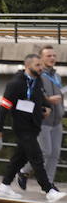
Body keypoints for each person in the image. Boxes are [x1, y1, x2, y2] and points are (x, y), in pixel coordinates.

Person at [0, 53, 65, 202]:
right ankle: (48, 190)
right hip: (22, 127)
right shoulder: (15, 84)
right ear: (27, 66)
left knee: (19, 158)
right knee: (37, 157)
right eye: (37, 65)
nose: (40, 68)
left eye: (40, 65)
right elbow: (4, 107)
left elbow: (39, 98)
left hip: (34, 126)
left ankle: (4, 186)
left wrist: (46, 108)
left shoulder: (37, 81)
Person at [19, 45, 64, 191]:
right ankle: (23, 171)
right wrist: (49, 100)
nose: (52, 58)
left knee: (54, 154)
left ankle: (49, 184)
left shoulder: (56, 76)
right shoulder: (37, 76)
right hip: (43, 121)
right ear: (41, 58)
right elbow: (32, 97)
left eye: (53, 56)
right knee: (45, 151)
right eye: (48, 56)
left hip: (57, 121)